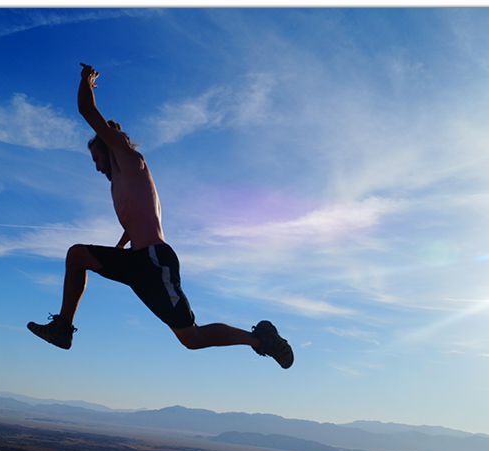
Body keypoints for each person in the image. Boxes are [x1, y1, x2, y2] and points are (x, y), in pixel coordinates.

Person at [27, 63, 293, 369]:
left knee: (191, 338)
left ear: (108, 148)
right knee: (77, 256)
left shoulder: (129, 160)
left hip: (155, 262)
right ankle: (62, 329)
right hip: (138, 262)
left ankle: (261, 340)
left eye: (96, 158)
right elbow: (136, 219)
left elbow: (86, 109)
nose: (97, 167)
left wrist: (86, 81)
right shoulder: (121, 183)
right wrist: (117, 252)